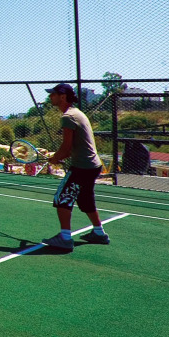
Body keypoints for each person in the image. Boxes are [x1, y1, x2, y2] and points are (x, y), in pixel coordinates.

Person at [42, 83, 108, 251]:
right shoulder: (77, 113)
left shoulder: (68, 117)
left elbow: (66, 147)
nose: (50, 97)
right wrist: (59, 157)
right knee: (85, 199)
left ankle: (65, 238)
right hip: (93, 165)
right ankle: (99, 233)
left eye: (53, 94)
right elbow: (73, 147)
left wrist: (55, 158)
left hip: (82, 167)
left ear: (62, 97)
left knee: (62, 198)